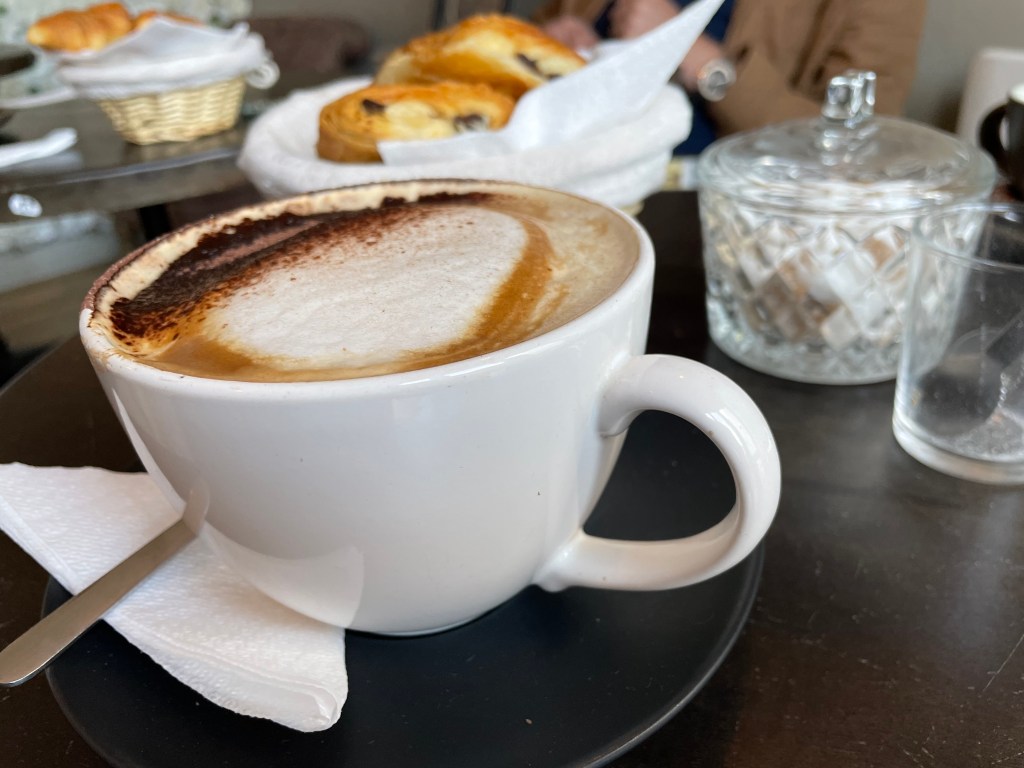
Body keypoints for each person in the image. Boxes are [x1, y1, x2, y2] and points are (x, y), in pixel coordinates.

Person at [534, 0, 928, 154]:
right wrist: (547, 44)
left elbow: (861, 143)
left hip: (710, 217)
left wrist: (702, 61)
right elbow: (551, 23)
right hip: (566, 163)